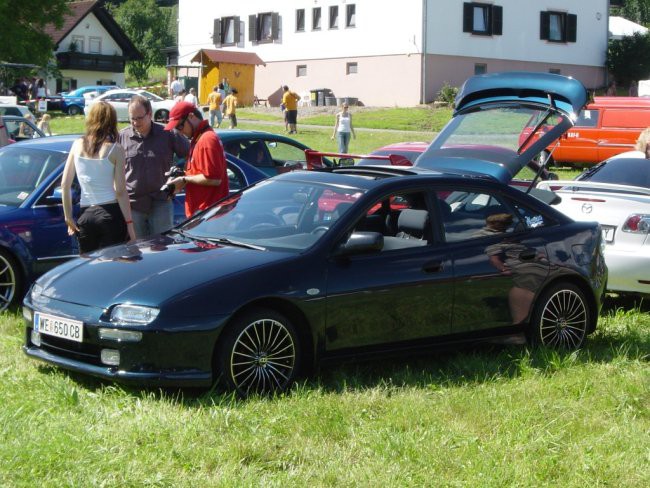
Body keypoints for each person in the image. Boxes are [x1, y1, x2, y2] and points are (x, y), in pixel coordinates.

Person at [61, 101, 135, 254]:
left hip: (85, 215)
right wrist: (129, 223)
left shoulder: (77, 144)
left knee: (87, 267)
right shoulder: (115, 149)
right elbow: (120, 190)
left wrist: (68, 217)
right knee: (114, 265)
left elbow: (65, 185)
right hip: (110, 213)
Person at [118, 95, 190, 238]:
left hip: (161, 202)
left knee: (162, 248)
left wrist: (182, 179)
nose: (135, 122)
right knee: (137, 251)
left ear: (150, 114)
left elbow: (192, 155)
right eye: (132, 118)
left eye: (139, 118)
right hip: (133, 205)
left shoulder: (167, 134)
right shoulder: (122, 137)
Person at [164, 102, 229, 217]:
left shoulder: (207, 139)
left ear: (191, 116)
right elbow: (201, 174)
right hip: (202, 215)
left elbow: (214, 179)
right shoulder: (198, 138)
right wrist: (181, 177)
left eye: (180, 126)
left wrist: (185, 179)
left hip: (209, 216)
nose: (179, 131)